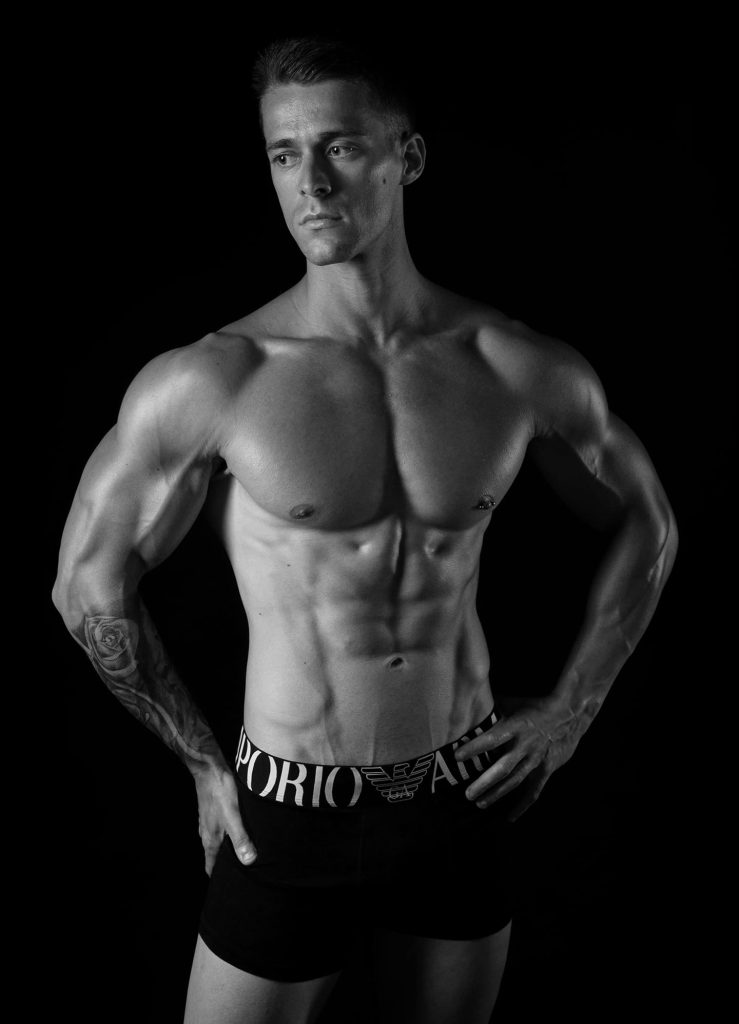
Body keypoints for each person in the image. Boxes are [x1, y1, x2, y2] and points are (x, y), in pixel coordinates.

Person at [52, 34, 679, 1024]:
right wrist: (201, 760)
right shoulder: (216, 379)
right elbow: (87, 584)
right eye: (283, 154)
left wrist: (573, 710)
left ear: (406, 157)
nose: (310, 183)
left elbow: (649, 520)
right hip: (287, 815)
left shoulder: (510, 365)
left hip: (461, 799)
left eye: (340, 146)